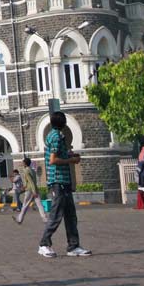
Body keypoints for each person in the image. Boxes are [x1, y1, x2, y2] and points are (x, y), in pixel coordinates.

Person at [37, 111, 90, 259]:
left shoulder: (56, 136)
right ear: (63, 122)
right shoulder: (56, 137)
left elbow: (58, 155)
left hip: (63, 181)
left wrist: (69, 155)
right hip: (58, 180)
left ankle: (73, 246)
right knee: (56, 214)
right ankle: (44, 244)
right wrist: (70, 161)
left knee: (70, 215)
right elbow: (53, 160)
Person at [13, 156, 42, 225]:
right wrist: (25, 186)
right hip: (34, 189)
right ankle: (45, 218)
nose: (22, 164)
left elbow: (31, 182)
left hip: (30, 190)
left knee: (25, 205)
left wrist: (33, 191)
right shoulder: (33, 170)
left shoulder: (26, 171)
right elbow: (32, 181)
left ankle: (19, 219)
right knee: (39, 204)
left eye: (23, 163)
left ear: (25, 163)